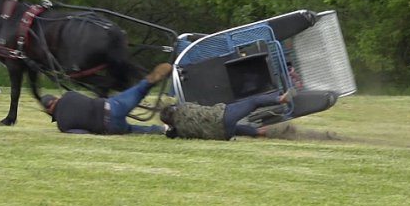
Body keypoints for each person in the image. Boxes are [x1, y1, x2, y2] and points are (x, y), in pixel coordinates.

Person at [40, 63, 173, 134]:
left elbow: (82, 132)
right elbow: (85, 101)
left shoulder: (62, 126)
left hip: (107, 127)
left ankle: (164, 129)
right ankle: (149, 82)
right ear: (55, 99)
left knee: (132, 130)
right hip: (110, 106)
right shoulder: (68, 96)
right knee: (139, 90)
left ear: (49, 112)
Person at [159, 88, 297, 141]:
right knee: (254, 102)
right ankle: (280, 99)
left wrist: (169, 129)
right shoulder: (183, 108)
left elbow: (170, 134)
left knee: (233, 129)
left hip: (222, 134)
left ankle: (262, 132)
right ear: (173, 109)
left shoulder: (179, 132)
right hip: (222, 116)